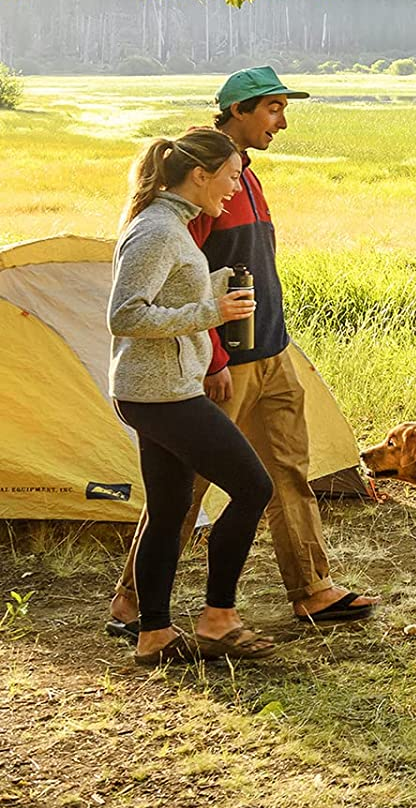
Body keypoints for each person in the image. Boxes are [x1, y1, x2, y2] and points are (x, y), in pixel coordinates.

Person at [108, 67, 378, 633]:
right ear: (238, 110)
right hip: (226, 360)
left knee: (288, 470)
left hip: (273, 348)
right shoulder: (200, 182)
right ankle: (133, 602)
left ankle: (312, 589)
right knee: (188, 485)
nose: (282, 122)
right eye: (273, 109)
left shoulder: (242, 176)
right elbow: (183, 282)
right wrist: (214, 357)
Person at [109, 129, 276, 665]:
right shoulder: (158, 229)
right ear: (200, 175)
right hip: (161, 392)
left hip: (163, 388)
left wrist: (219, 283)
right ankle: (218, 617)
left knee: (168, 510)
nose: (235, 187)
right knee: (253, 488)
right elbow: (125, 314)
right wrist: (210, 313)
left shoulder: (171, 223)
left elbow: (170, 290)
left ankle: (154, 634)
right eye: (230, 177)